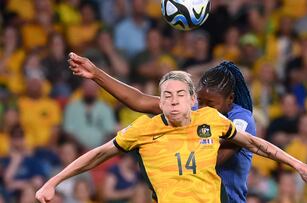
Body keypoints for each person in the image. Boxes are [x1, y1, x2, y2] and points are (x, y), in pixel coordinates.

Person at [36, 70, 307, 203]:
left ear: (192, 100)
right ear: (160, 102)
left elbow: (256, 144)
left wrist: (301, 165)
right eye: (166, 96)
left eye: (180, 95)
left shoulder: (211, 119)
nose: (173, 101)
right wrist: (53, 181)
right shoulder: (143, 129)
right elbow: (98, 154)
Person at [67, 52, 256, 202]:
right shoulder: (191, 108)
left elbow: (211, 158)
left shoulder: (242, 119)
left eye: (211, 104)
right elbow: (139, 100)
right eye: (200, 101)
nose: (203, 109)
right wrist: (95, 74)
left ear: (230, 98)